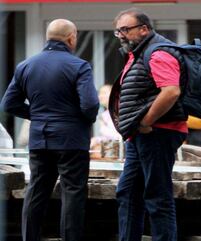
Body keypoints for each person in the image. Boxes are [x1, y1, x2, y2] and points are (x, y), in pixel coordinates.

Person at [0, 19, 99, 241]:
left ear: (48, 37)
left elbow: (9, 104)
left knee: (36, 190)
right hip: (72, 140)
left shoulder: (26, 65)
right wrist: (82, 120)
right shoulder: (79, 66)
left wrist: (37, 116)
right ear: (71, 38)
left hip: (39, 139)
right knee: (72, 192)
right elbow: (91, 105)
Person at [108, 8, 187, 241]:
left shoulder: (157, 53)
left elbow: (171, 91)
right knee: (128, 193)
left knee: (157, 196)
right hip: (140, 135)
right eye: (118, 31)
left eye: (125, 29)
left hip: (157, 132)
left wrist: (145, 121)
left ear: (144, 29)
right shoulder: (138, 53)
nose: (121, 35)